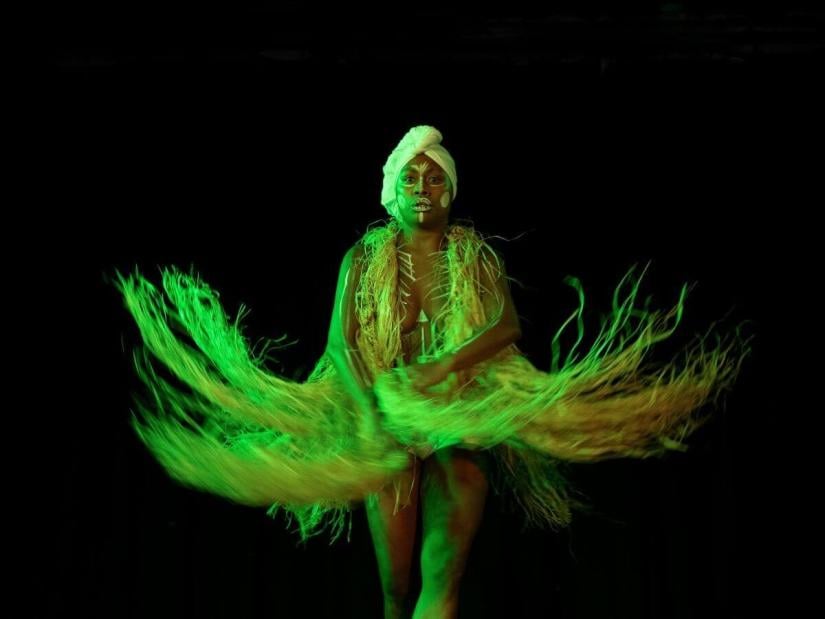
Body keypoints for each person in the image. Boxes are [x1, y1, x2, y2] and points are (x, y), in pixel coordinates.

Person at [118, 125, 743, 619]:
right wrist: (367, 420)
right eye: (411, 177)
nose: (423, 186)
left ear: (450, 190)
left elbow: (506, 328)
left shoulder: (475, 254)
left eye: (434, 177)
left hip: (449, 405)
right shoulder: (364, 255)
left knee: (449, 545)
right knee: (394, 586)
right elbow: (341, 344)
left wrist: (447, 363)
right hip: (386, 408)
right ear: (393, 190)